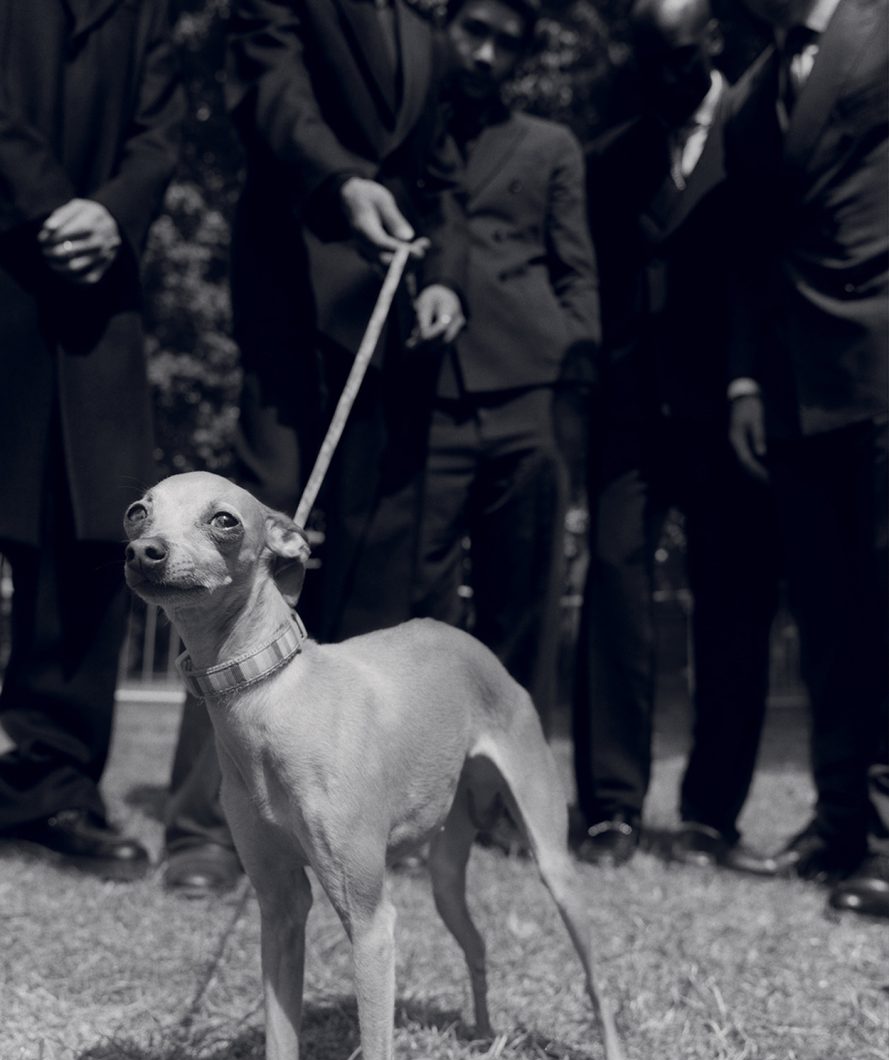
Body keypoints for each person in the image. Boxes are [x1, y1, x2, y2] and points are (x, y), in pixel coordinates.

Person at [161, 0, 467, 895]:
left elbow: (442, 174)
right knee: (237, 551)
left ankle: (355, 807)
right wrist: (341, 181)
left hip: (392, 327)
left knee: (377, 559)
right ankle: (206, 824)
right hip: (291, 308)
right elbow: (270, 93)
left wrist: (446, 277)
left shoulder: (430, 32)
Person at [572, 0, 781, 870]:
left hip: (730, 409)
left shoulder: (760, 129)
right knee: (613, 587)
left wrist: (752, 381)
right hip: (627, 414)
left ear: (713, 43)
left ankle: (710, 814)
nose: (663, 76)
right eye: (648, 59)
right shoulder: (613, 149)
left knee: (732, 604)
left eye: (679, 58)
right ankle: (610, 809)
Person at [0, 0, 184, 880]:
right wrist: (48, 205)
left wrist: (113, 213)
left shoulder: (148, 12)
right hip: (9, 264)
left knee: (86, 534)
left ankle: (50, 788)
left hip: (95, 303)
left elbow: (159, 133)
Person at [725, 0, 889, 917]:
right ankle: (838, 824)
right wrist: (744, 381)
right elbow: (748, 249)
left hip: (881, 351)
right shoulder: (751, 92)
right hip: (792, 382)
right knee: (825, 617)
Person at [412, 0, 599, 736]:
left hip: (529, 395)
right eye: (474, 32)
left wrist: (570, 394)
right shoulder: (403, 130)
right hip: (425, 396)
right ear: (443, 27)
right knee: (417, 597)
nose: (486, 55)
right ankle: (416, 766)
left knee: (521, 604)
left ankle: (509, 777)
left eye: (506, 44)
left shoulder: (548, 144)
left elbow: (576, 275)